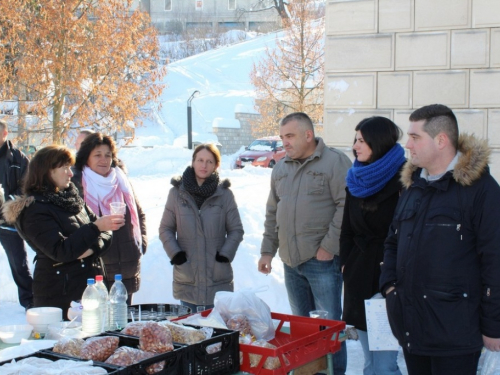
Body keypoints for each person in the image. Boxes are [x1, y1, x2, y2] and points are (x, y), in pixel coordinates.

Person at [380, 104, 500, 375]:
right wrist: (389, 288)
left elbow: (495, 260)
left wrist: (494, 325)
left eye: (415, 137)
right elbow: (392, 241)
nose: (407, 144)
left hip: (455, 336)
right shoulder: (414, 186)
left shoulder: (481, 191)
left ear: (441, 140)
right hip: (413, 330)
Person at [258, 112, 352, 375]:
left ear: (308, 135)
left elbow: (346, 206)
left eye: (290, 136)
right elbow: (272, 212)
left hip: (322, 263)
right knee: (301, 330)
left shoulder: (335, 162)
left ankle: (334, 373)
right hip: (291, 263)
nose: (284, 143)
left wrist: (328, 248)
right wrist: (268, 251)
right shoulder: (280, 168)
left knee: (329, 330)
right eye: (282, 137)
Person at [1, 145, 123, 319]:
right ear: (47, 172)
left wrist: (89, 247)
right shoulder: (34, 209)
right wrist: (95, 229)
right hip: (58, 296)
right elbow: (61, 251)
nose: (70, 173)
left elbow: (107, 233)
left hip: (89, 289)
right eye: (64, 167)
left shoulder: (72, 198)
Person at [340, 117, 405, 375]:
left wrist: (395, 278)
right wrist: (345, 264)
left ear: (378, 143)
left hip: (387, 278)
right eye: (355, 139)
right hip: (358, 276)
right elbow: (346, 229)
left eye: (362, 140)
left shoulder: (405, 181)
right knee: (369, 363)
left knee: (385, 366)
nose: (355, 146)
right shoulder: (356, 179)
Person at [159, 143, 244, 313]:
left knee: (217, 329)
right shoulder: (176, 193)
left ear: (216, 165)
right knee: (190, 328)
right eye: (200, 160)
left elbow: (236, 229)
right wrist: (176, 255)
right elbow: (165, 228)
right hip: (187, 272)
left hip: (217, 274)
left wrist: (225, 255)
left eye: (209, 161)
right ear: (193, 162)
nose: (204, 165)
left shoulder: (224, 194)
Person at [73, 132, 147, 304]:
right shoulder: (78, 185)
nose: (103, 160)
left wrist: (140, 243)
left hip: (126, 268)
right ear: (86, 158)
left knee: (123, 323)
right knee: (98, 325)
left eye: (108, 155)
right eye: (97, 155)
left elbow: (140, 214)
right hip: (96, 270)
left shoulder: (121, 181)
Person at [0, 119, 34, 310]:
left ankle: (30, 301)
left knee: (19, 264)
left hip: (8, 221)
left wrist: (9, 202)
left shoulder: (18, 159)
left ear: (5, 134)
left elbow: (28, 187)